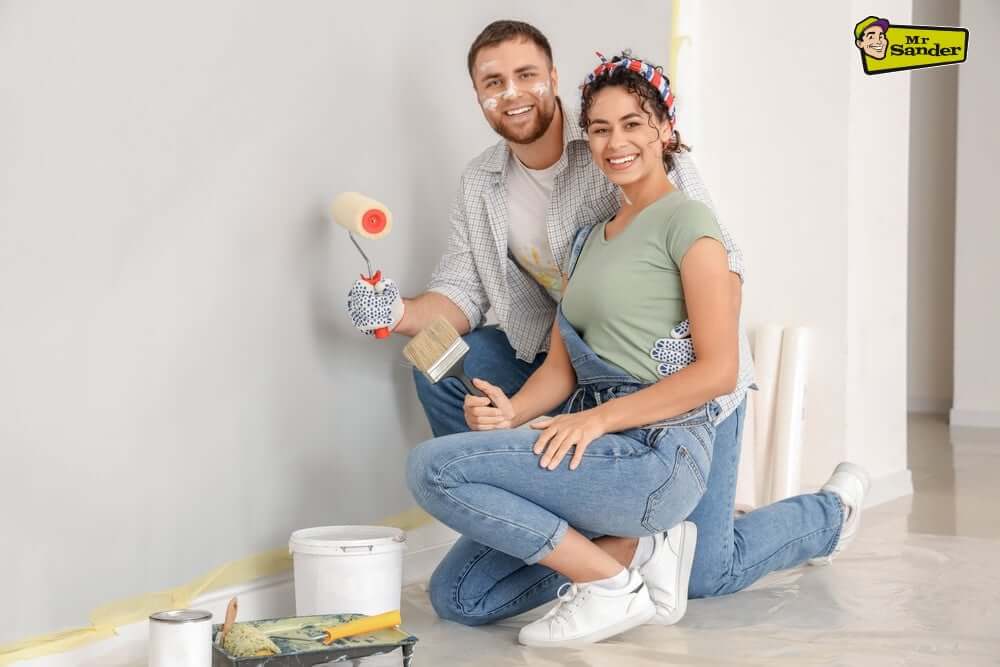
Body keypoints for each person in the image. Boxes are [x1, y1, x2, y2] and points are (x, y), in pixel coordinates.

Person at [347, 20, 869, 638]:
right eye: (493, 82)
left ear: (552, 81)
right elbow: (464, 289)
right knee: (442, 369)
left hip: (678, 388)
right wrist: (397, 313)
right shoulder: (488, 188)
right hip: (574, 368)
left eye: (525, 75)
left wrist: (691, 346)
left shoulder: (618, 158)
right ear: (477, 95)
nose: (511, 93)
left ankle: (826, 513)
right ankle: (582, 532)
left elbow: (718, 256)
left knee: (704, 573)